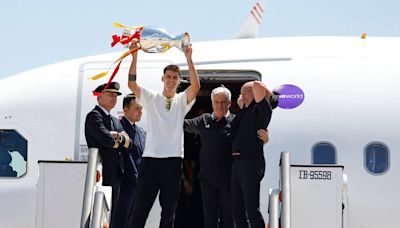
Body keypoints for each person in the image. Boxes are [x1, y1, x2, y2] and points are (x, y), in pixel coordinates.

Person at [127, 41, 200, 228]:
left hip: (173, 162)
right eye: (168, 76)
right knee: (140, 209)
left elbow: (196, 87)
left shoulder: (182, 100)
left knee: (169, 212)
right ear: (162, 78)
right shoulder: (151, 98)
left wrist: (189, 59)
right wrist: (134, 57)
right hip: (151, 160)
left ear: (178, 81)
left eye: (175, 77)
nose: (171, 80)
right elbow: (132, 84)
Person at [184, 86, 270, 228]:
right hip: (207, 179)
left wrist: (265, 139)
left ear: (230, 103)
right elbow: (181, 124)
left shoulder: (237, 121)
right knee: (210, 219)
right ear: (212, 103)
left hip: (230, 179)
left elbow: (252, 139)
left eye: (223, 102)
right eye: (216, 102)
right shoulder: (203, 120)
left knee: (231, 217)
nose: (220, 105)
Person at [84, 82, 131, 228]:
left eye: (116, 95)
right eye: (110, 94)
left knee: (113, 218)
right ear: (99, 97)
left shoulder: (115, 121)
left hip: (117, 175)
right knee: (100, 214)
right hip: (102, 175)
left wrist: (116, 137)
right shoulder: (94, 116)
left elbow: (128, 143)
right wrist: (117, 139)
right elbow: (107, 141)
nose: (114, 98)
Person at [230, 81, 274, 228]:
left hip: (250, 162)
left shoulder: (261, 109)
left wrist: (255, 91)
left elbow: (257, 85)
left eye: (245, 92)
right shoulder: (244, 112)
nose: (242, 95)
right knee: (237, 210)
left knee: (251, 209)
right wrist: (243, 101)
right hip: (237, 163)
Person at [113, 94, 146, 228]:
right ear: (126, 110)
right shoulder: (120, 128)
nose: (140, 111)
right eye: (137, 108)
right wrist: (136, 177)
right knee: (122, 219)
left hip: (139, 184)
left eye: (141, 108)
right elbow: (125, 156)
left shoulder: (139, 131)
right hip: (126, 184)